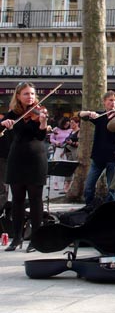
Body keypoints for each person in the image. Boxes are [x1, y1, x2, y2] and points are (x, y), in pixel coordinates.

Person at [1, 82, 49, 252]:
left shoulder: (40, 112)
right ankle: (17, 238)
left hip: (36, 158)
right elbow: (13, 133)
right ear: (18, 96)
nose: (30, 97)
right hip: (17, 158)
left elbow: (41, 135)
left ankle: (36, 238)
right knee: (17, 200)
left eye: (32, 94)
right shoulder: (13, 114)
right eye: (26, 94)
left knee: (36, 200)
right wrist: (5, 124)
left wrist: (43, 122)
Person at [80, 91, 115, 205]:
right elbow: (80, 114)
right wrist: (90, 113)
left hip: (113, 157)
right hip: (98, 156)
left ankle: (110, 209)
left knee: (112, 189)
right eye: (110, 100)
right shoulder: (100, 116)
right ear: (104, 102)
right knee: (89, 186)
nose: (113, 103)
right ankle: (89, 207)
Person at [49, 117, 72, 192]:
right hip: (58, 149)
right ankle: (55, 183)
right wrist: (56, 142)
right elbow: (51, 138)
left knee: (65, 166)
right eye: (65, 124)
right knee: (56, 165)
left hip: (66, 150)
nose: (66, 125)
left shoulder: (70, 130)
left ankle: (65, 183)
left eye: (68, 124)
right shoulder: (56, 129)